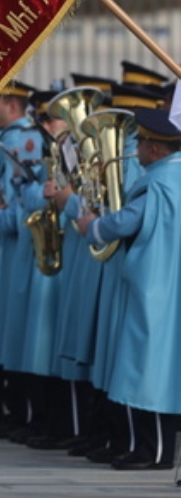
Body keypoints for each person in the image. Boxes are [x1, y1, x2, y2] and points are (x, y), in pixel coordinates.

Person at [76, 107, 181, 471]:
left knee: (146, 369)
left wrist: (92, 225)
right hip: (168, 283)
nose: (134, 148)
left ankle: (152, 451)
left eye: (140, 142)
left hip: (153, 284)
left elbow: (126, 222)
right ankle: (143, 446)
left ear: (155, 149)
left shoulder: (161, 181)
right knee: (153, 366)